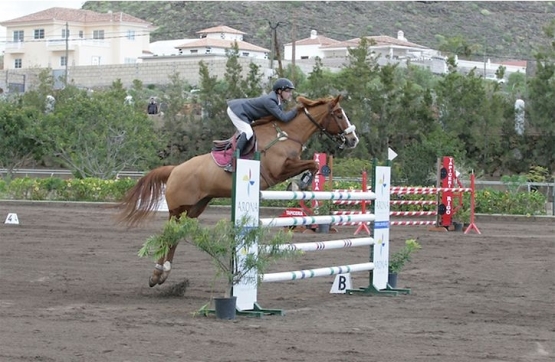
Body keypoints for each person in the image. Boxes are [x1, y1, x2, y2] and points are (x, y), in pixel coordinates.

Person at [224, 78, 297, 172]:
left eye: (290, 91)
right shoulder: (270, 101)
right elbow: (284, 118)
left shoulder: (278, 102)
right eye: (287, 91)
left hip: (245, 113)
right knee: (248, 132)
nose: (290, 93)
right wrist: (297, 109)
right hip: (237, 110)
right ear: (279, 91)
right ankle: (232, 163)